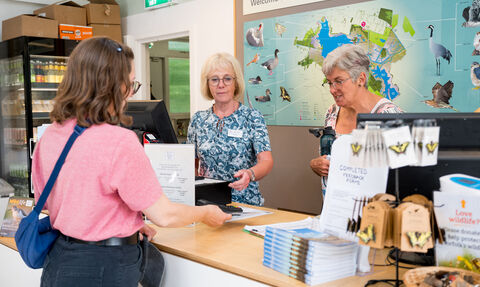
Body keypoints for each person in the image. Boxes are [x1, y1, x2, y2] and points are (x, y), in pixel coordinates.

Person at [32, 37, 231, 287]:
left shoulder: (50, 136)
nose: (130, 93)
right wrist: (205, 213)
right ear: (113, 86)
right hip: (106, 266)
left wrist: (125, 225)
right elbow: (165, 215)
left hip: (58, 261)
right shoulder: (119, 140)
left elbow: (51, 202)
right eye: (131, 84)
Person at [187, 52, 273, 206]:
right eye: (214, 79)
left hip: (245, 205)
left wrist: (250, 174)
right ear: (207, 84)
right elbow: (190, 164)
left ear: (236, 83)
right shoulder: (198, 120)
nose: (221, 85)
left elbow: (266, 161)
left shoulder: (252, 117)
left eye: (227, 78)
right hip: (207, 206)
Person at [310, 44, 403, 177]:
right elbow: (328, 158)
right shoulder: (332, 112)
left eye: (339, 81)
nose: (332, 90)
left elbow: (402, 172)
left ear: (361, 79)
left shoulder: (390, 115)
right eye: (330, 82)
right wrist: (316, 164)